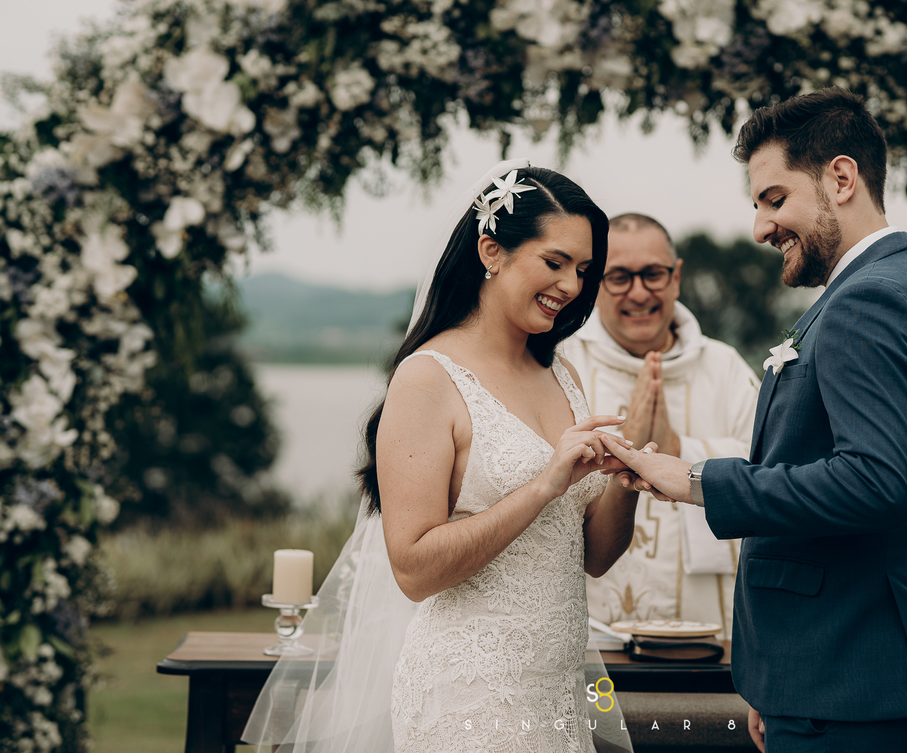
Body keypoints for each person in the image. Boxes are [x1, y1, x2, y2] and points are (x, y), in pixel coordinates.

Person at [598, 89, 907, 752]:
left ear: (841, 178)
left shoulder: (871, 300)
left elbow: (877, 482)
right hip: (826, 672)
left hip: (849, 674)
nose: (760, 228)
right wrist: (780, 680)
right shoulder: (895, 286)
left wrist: (696, 479)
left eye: (774, 199)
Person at [243, 160, 637, 753]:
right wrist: (543, 485)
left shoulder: (564, 376)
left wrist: (626, 480)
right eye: (555, 263)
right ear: (491, 251)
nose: (571, 286)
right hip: (467, 695)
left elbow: (595, 558)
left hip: (557, 692)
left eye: (583, 270)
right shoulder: (428, 379)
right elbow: (414, 570)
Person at [561, 213, 758, 637]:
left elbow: (773, 472)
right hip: (594, 627)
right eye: (619, 277)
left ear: (676, 277)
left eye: (653, 274)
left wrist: (680, 449)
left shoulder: (724, 368)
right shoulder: (561, 365)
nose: (639, 292)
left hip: (709, 625)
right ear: (595, 283)